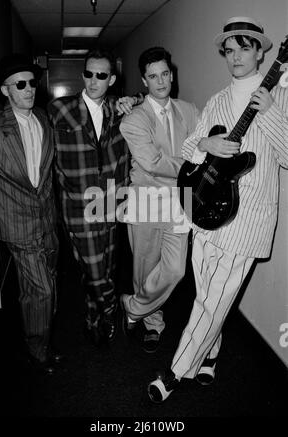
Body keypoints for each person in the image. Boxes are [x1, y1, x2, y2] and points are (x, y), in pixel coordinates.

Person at [147, 16, 288, 402]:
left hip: (249, 219)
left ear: (262, 52)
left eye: (245, 47)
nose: (237, 56)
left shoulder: (282, 94)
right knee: (208, 294)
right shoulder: (218, 100)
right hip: (206, 211)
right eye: (230, 49)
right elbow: (190, 144)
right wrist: (206, 146)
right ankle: (210, 353)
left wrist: (273, 110)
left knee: (213, 299)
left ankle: (175, 372)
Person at [48, 48, 140, 345]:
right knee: (94, 268)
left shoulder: (119, 109)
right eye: (88, 73)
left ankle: (93, 318)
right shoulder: (60, 109)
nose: (93, 80)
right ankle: (117, 308)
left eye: (101, 75)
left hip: (112, 203)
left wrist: (136, 99)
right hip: (77, 205)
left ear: (111, 79)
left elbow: (150, 97)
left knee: (107, 267)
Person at [119, 47, 199, 353]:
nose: (161, 81)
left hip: (181, 200)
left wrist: (196, 157)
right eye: (153, 76)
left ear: (172, 74)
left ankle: (132, 306)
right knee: (144, 266)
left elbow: (200, 147)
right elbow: (152, 162)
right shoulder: (134, 119)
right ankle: (152, 321)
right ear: (144, 80)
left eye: (165, 73)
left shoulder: (190, 110)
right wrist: (190, 165)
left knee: (175, 269)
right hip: (146, 200)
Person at [0, 54, 61, 375]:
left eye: (32, 82)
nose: (29, 89)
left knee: (44, 286)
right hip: (17, 222)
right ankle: (36, 348)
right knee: (41, 289)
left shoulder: (43, 118)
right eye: (20, 84)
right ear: (5, 90)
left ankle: (42, 339)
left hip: (47, 219)